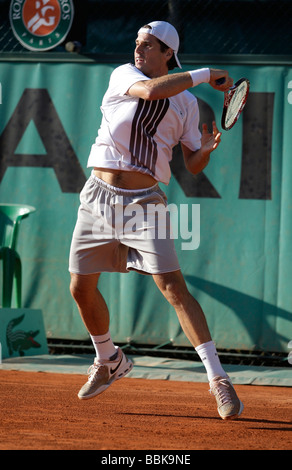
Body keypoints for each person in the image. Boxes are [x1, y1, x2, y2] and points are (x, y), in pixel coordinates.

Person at [69, 20, 243, 420]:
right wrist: (203, 74)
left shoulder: (186, 104)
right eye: (137, 44)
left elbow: (192, 165)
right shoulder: (125, 75)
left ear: (168, 54)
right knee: (80, 286)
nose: (138, 50)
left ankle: (219, 380)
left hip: (145, 202)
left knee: (173, 287)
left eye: (148, 46)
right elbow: (149, 91)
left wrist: (207, 150)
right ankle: (108, 358)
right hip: (98, 196)